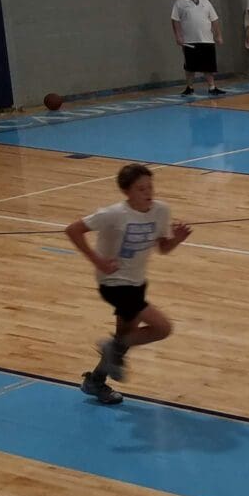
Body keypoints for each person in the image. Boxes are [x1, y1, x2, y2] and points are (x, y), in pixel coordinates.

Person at [64, 164, 191, 405]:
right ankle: (111, 346)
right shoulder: (112, 214)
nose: (148, 192)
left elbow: (163, 248)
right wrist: (98, 261)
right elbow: (72, 230)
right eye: (141, 188)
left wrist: (178, 239)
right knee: (163, 328)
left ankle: (95, 381)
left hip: (137, 282)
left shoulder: (161, 211)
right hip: (113, 283)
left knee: (125, 337)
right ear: (126, 192)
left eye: (150, 187)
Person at [170, 0, 225, 96]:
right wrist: (178, 36)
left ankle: (212, 87)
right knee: (190, 66)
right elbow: (175, 20)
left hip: (207, 39)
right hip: (189, 40)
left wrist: (218, 35)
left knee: (208, 66)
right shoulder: (180, 3)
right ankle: (189, 87)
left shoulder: (206, 2)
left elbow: (214, 20)